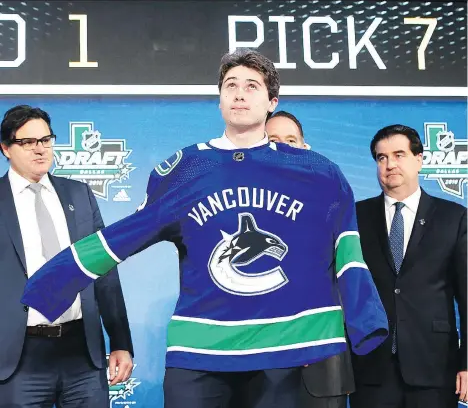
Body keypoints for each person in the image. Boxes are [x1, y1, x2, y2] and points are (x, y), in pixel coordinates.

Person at [21, 50, 388, 408]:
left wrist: (365, 321)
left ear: (272, 101)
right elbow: (125, 235)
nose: (239, 93)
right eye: (230, 85)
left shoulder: (317, 172)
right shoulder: (186, 169)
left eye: (251, 86)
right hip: (202, 351)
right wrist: (52, 282)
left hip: (288, 347)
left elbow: (348, 251)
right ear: (219, 100)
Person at [0, 105, 134, 407]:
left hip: (81, 355)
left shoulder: (79, 195)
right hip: (18, 358)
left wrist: (121, 342)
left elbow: (105, 273)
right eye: (28, 142)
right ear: (6, 148)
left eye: (46, 140)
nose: (40, 149)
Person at [350, 124, 467, 408]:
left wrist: (467, 363)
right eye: (381, 157)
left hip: (434, 366)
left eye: (399, 154)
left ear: (419, 159)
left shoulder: (454, 217)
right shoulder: (355, 217)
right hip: (370, 366)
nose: (390, 164)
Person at [266, 110, 355, 408]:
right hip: (258, 363)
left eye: (291, 140)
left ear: (306, 148)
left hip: (320, 360)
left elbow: (348, 277)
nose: (284, 147)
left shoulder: (334, 199)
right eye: (273, 140)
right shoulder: (233, 203)